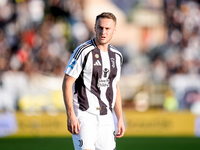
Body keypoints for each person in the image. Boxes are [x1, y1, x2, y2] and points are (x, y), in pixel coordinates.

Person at [62, 12, 125, 150]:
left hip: (106, 116)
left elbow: (115, 87)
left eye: (107, 29)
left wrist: (120, 117)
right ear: (94, 28)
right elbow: (67, 82)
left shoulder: (117, 56)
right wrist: (71, 115)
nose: (103, 32)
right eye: (100, 27)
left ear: (114, 30)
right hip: (84, 114)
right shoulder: (83, 52)